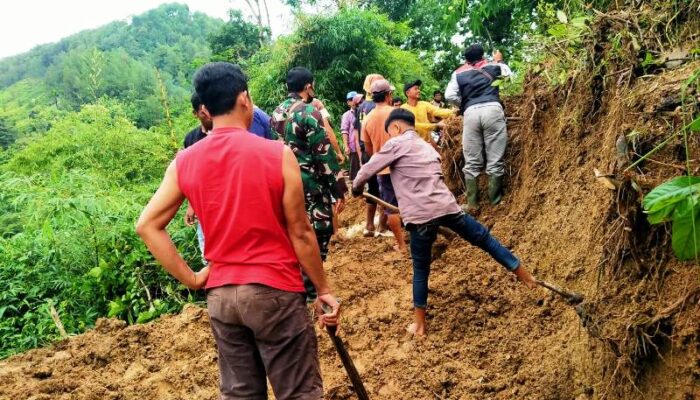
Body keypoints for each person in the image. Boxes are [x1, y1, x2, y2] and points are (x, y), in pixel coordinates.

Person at [136, 62, 340, 399]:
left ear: (205, 108)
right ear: (244, 98)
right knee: (299, 392)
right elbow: (301, 232)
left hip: (221, 298)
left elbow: (147, 226)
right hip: (274, 292)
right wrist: (322, 289)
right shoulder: (277, 154)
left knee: (241, 394)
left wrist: (193, 279)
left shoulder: (184, 161)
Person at [352, 108, 536, 336]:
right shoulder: (427, 147)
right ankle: (527, 278)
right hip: (448, 207)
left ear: (396, 128)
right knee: (484, 239)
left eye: (390, 133)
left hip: (420, 217)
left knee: (421, 268)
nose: (391, 137)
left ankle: (419, 325)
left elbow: (368, 169)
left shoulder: (396, 143)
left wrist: (356, 188)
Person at [271, 67, 346, 300]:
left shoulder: (276, 113)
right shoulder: (308, 111)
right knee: (318, 233)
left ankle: (299, 284)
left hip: (284, 183)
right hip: (311, 184)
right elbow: (323, 153)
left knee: (293, 231)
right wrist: (338, 189)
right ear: (308, 87)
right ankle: (312, 291)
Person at [445, 43, 510, 211]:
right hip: (493, 109)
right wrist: (500, 61)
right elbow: (509, 78)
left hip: (471, 113)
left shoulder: (458, 73)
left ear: (466, 59)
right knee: (495, 158)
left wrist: (465, 103)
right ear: (482, 55)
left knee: (472, 160)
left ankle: (472, 203)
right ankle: (495, 201)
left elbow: (449, 95)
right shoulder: (494, 66)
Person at [361, 78, 406, 253]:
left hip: (383, 169)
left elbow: (369, 150)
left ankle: (400, 244)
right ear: (388, 95)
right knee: (410, 201)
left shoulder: (367, 119)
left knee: (390, 206)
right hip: (403, 166)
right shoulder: (397, 113)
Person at [355, 73, 387, 237]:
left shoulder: (361, 107)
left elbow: (357, 132)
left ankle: (369, 225)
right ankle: (382, 225)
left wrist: (362, 155)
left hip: (367, 152)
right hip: (381, 152)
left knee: (373, 188)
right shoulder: (380, 107)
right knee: (386, 189)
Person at [182, 93, 213, 263]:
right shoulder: (191, 139)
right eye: (202, 112)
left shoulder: (226, 134)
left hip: (225, 201)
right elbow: (190, 175)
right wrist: (190, 204)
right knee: (207, 253)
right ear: (195, 114)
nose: (208, 114)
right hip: (202, 204)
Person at [401, 79, 453, 149]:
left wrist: (453, 112)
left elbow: (437, 111)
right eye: (416, 89)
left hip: (427, 142)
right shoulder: (403, 108)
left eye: (419, 89)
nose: (419, 91)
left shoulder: (424, 104)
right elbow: (414, 125)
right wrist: (435, 125)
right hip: (412, 145)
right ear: (407, 93)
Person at [341, 91, 362, 181]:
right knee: (354, 171)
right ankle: (354, 192)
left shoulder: (363, 112)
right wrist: (346, 146)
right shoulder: (347, 115)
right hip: (353, 147)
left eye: (354, 99)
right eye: (350, 100)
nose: (353, 102)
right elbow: (344, 131)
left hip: (364, 146)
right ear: (348, 102)